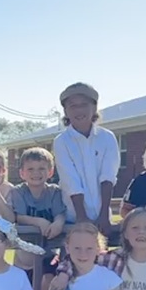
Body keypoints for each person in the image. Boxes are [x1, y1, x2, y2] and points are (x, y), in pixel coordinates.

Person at [53, 82, 120, 234]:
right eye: (72, 106)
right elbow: (71, 181)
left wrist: (103, 215)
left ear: (94, 107)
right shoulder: (61, 141)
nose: (79, 110)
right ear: (65, 111)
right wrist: (82, 218)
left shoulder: (107, 138)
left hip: (103, 217)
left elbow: (108, 177)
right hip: (73, 216)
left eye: (84, 104)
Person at [10, 147, 66, 290]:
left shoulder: (54, 191)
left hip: (48, 253)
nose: (36, 173)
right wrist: (39, 222)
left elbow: (60, 214)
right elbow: (19, 216)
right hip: (24, 257)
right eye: (30, 169)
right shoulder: (18, 192)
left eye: (41, 168)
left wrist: (58, 223)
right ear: (22, 173)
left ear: (50, 171)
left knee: (47, 283)